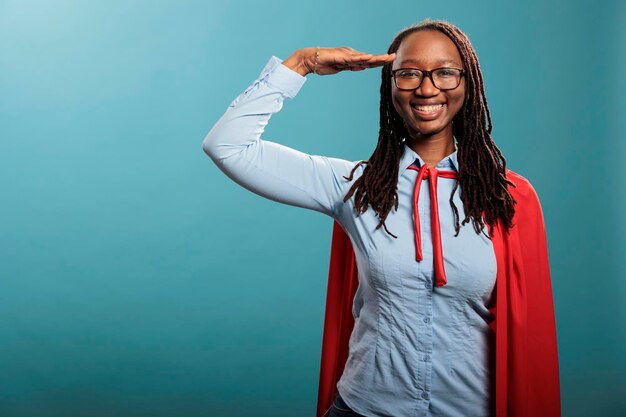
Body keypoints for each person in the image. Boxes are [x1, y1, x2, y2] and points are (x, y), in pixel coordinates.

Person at [202, 18, 560, 417]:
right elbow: (227, 146)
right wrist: (301, 63)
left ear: (468, 83)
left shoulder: (507, 196)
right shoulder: (354, 185)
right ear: (390, 86)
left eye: (444, 73)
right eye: (408, 74)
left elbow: (531, 335)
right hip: (365, 408)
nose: (426, 88)